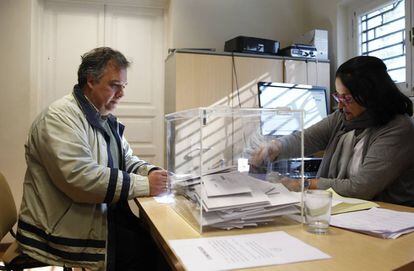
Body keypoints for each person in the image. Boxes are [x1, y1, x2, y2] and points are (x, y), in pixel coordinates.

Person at [16, 47, 169, 271]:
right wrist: (147, 184)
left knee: (157, 246)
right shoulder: (58, 118)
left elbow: (126, 159)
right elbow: (82, 179)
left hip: (97, 219)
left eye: (123, 86)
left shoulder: (103, 118)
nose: (121, 94)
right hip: (60, 235)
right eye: (114, 85)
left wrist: (154, 173)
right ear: (90, 80)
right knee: (156, 257)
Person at [250, 55, 414, 207]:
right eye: (338, 97)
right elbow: (306, 139)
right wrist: (275, 146)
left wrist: (304, 184)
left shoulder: (398, 128)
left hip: (390, 215)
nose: (340, 106)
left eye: (347, 98)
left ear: (371, 96)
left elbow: (361, 187)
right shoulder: (341, 118)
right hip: (351, 210)